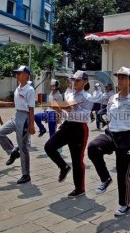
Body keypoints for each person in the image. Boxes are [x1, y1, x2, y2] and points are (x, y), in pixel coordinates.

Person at [87, 66, 130, 217]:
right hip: (111, 133)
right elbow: (110, 116)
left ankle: (124, 205)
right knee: (93, 147)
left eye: (123, 77)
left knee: (123, 173)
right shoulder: (112, 98)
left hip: (128, 138)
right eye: (118, 77)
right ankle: (105, 178)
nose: (120, 80)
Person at [44, 70, 93, 198]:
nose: (74, 82)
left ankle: (79, 188)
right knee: (49, 146)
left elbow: (86, 117)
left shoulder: (88, 97)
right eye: (73, 80)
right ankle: (63, 166)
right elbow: (66, 112)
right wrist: (59, 109)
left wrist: (70, 111)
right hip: (68, 125)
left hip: (79, 128)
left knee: (77, 160)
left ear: (85, 82)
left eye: (77, 80)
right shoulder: (69, 94)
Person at [0, 65, 35, 184]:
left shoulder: (29, 89)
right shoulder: (18, 87)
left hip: (25, 118)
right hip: (17, 115)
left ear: (26, 75)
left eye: (19, 73)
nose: (17, 75)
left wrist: (31, 126)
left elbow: (31, 109)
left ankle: (26, 174)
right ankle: (12, 151)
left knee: (23, 147)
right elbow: (17, 103)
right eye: (16, 73)